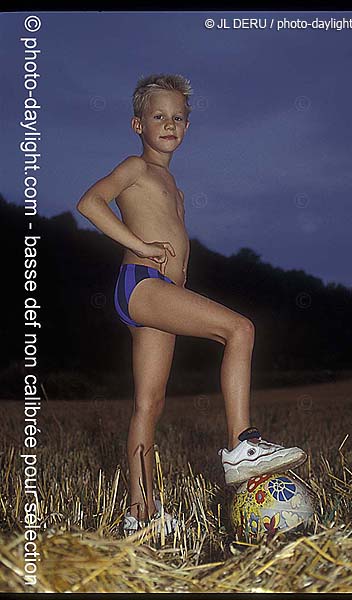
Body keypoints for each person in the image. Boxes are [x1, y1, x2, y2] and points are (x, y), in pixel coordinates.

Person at [76, 73, 307, 536]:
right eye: (158, 115)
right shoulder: (135, 168)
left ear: (186, 126)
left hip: (157, 291)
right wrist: (138, 244)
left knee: (149, 403)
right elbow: (90, 202)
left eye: (178, 117)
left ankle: (141, 513)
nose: (169, 123)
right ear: (137, 124)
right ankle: (243, 444)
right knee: (239, 329)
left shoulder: (174, 187)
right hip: (142, 283)